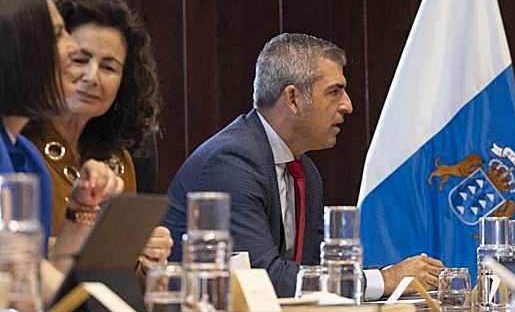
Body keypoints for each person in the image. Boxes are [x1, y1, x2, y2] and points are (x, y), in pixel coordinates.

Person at [163, 32, 442, 297]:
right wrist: (387, 280)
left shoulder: (304, 171)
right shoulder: (232, 162)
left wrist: (387, 279)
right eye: (335, 92)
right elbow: (262, 280)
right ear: (293, 99)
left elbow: (311, 273)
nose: (348, 106)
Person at [22, 0, 170, 265]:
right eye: (80, 60)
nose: (92, 77)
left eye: (109, 67)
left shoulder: (119, 159)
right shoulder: (19, 145)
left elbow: (117, 277)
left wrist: (148, 262)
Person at [0, 0, 125, 299]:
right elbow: (24, 283)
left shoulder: (25, 154)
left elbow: (44, 272)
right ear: (20, 53)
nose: (72, 48)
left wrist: (80, 212)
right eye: (58, 34)